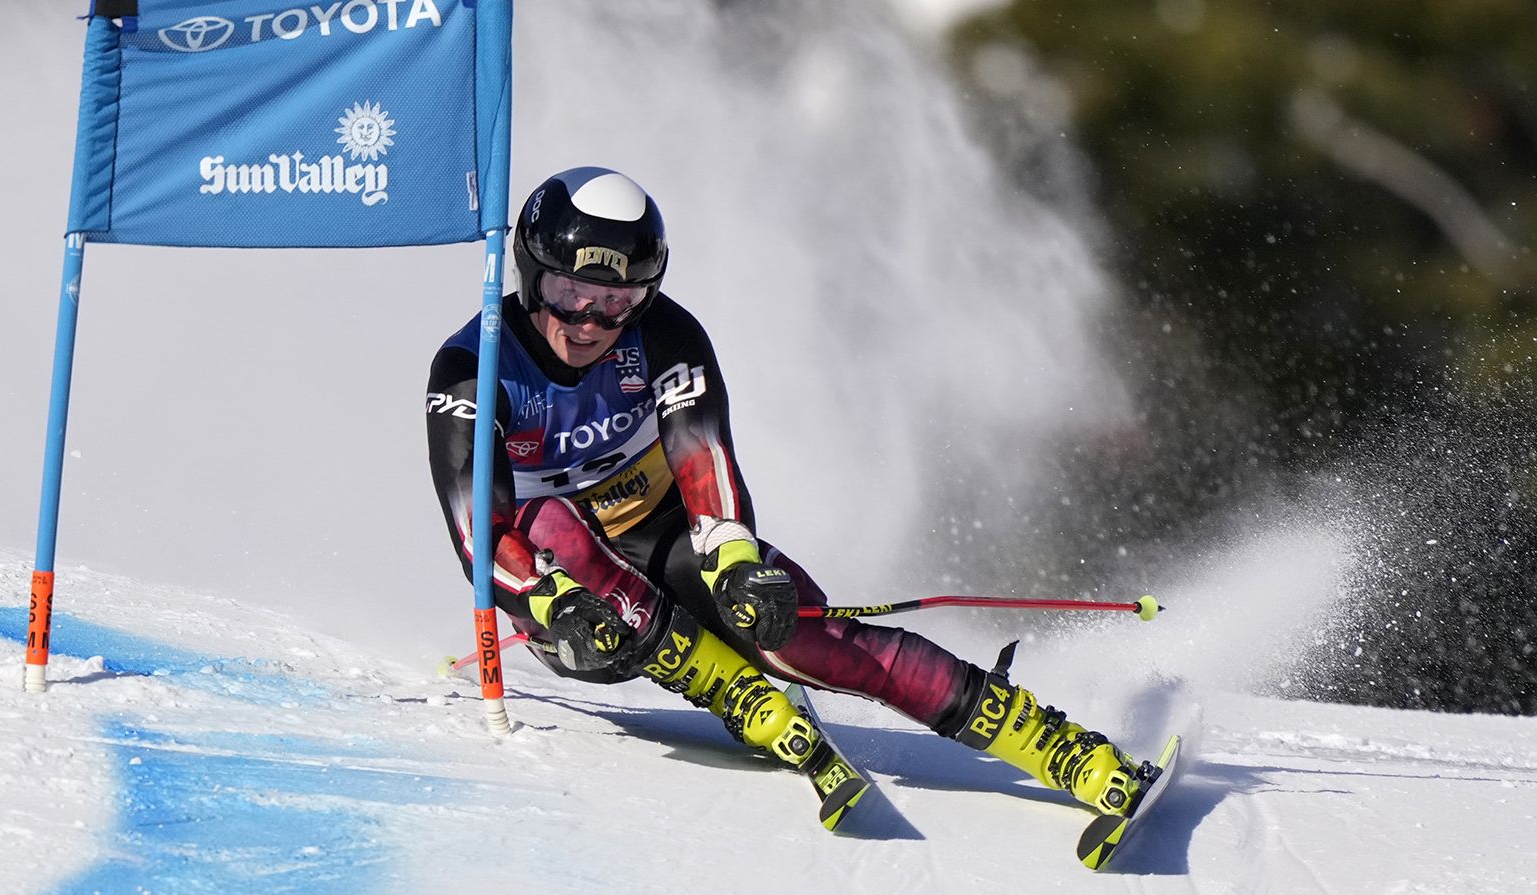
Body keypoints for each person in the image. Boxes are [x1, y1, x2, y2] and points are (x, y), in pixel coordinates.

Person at [425, 166, 1146, 825]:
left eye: (617, 302)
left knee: (800, 634)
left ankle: (1049, 743)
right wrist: (549, 600)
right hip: (560, 593)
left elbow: (705, 465)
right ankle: (728, 687)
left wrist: (738, 561)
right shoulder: (472, 367)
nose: (589, 323)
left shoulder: (666, 337)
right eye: (569, 295)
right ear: (529, 274)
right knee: (557, 531)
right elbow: (475, 529)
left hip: (661, 531)